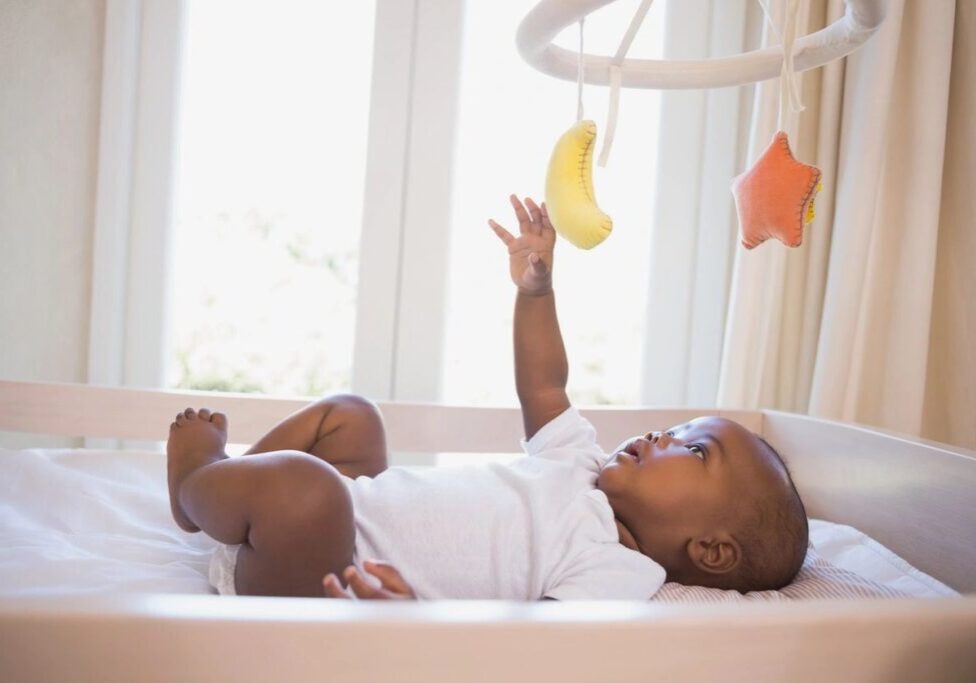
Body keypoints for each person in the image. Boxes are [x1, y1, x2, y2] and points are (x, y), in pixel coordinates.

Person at [166, 195, 808, 600]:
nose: (660, 437)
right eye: (675, 428)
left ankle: (200, 483)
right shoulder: (578, 463)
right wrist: (535, 293)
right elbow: (545, 384)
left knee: (309, 491)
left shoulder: (619, 574)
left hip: (320, 573)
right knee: (352, 415)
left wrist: (409, 620)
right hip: (354, 506)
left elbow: (525, 653)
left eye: (693, 451)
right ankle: (227, 501)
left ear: (712, 551)